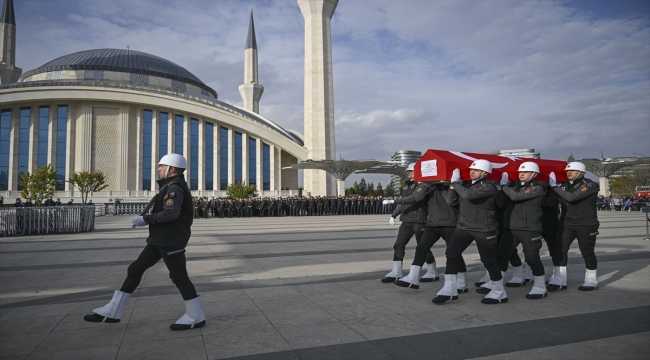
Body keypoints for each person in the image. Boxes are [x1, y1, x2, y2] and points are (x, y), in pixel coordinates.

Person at [83, 154, 205, 331]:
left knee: (179, 276)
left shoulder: (175, 188)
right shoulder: (170, 186)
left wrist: (146, 219)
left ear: (171, 169)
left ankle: (196, 316)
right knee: (135, 269)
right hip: (159, 240)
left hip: (170, 241)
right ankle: (113, 310)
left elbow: (171, 213)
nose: (158, 169)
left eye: (161, 166)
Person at [432, 160, 506, 305]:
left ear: (485, 173)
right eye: (471, 169)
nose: (472, 171)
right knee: (452, 254)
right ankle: (450, 289)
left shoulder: (488, 187)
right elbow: (451, 201)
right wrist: (453, 186)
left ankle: (499, 292)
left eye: (476, 170)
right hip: (464, 227)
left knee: (488, 260)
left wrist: (457, 183)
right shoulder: (465, 185)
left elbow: (469, 195)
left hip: (484, 228)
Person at [492, 162, 548, 299]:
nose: (521, 174)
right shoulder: (513, 187)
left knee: (532, 258)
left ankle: (540, 287)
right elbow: (501, 204)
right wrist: (500, 189)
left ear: (534, 174)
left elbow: (516, 197)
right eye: (520, 172)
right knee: (501, 255)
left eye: (525, 172)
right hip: (511, 227)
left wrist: (504, 186)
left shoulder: (537, 188)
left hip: (529, 228)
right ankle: (496, 287)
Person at [394, 182, 459, 289]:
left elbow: (450, 200)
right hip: (432, 223)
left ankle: (461, 281)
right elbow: (417, 197)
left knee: (453, 253)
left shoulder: (452, 185)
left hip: (449, 224)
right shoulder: (430, 186)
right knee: (421, 248)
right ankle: (413, 278)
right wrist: (427, 185)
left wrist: (452, 184)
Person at [547, 162, 600, 291]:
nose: (568, 172)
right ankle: (560, 279)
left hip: (586, 224)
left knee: (587, 252)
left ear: (581, 173)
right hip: (566, 224)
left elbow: (572, 197)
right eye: (567, 171)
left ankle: (591, 280)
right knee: (559, 250)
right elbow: (550, 203)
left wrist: (555, 187)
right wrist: (552, 189)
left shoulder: (590, 184)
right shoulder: (563, 186)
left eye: (573, 170)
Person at [381, 163, 428, 283]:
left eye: (410, 171)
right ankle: (397, 272)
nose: (408, 172)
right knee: (398, 245)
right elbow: (403, 203)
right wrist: (394, 215)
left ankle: (432, 269)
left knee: (422, 247)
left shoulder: (423, 184)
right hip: (406, 220)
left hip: (419, 220)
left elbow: (414, 198)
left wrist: (395, 200)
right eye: (407, 171)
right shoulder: (407, 185)